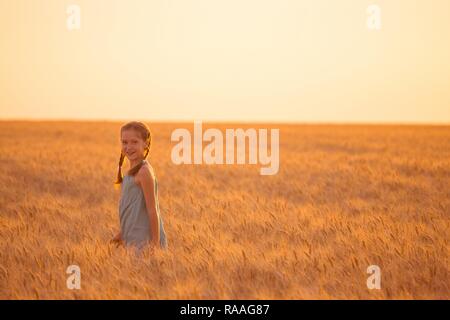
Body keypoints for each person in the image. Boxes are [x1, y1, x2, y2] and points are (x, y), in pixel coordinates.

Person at [111, 121, 168, 252]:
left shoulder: (144, 172)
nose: (128, 147)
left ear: (145, 144)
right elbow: (133, 209)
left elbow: (152, 210)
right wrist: (121, 234)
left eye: (134, 142)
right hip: (132, 239)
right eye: (124, 142)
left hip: (145, 241)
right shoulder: (130, 174)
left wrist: (155, 244)